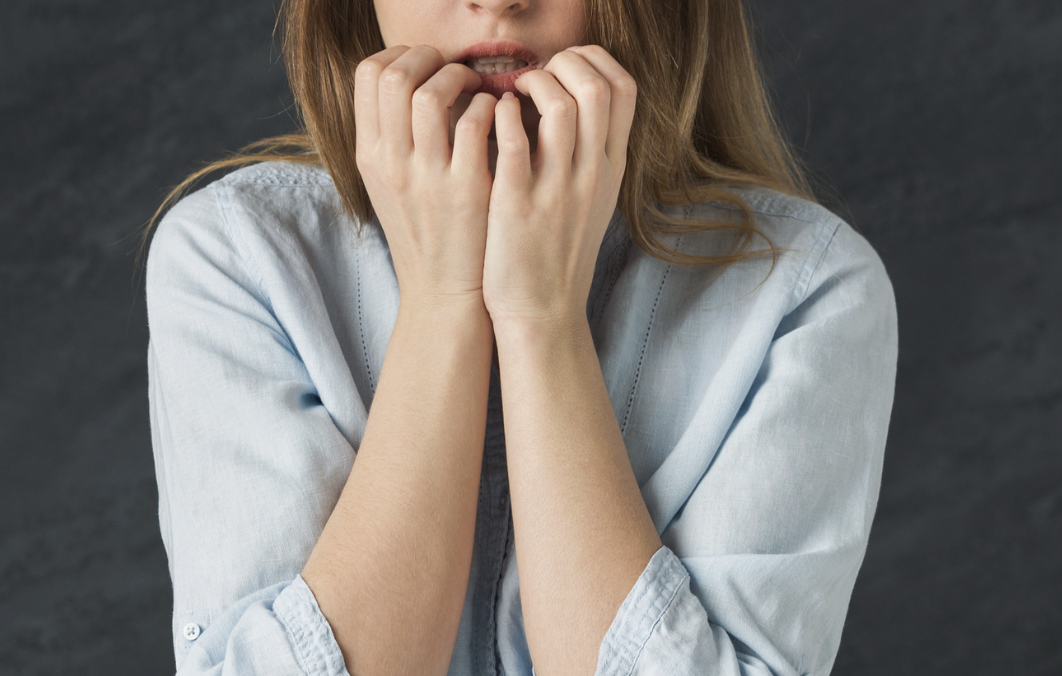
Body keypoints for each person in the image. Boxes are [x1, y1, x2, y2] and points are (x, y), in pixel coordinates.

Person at [143, 0, 898, 673]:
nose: (497, 3)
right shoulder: (236, 258)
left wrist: (543, 321)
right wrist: (444, 307)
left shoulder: (806, 293)